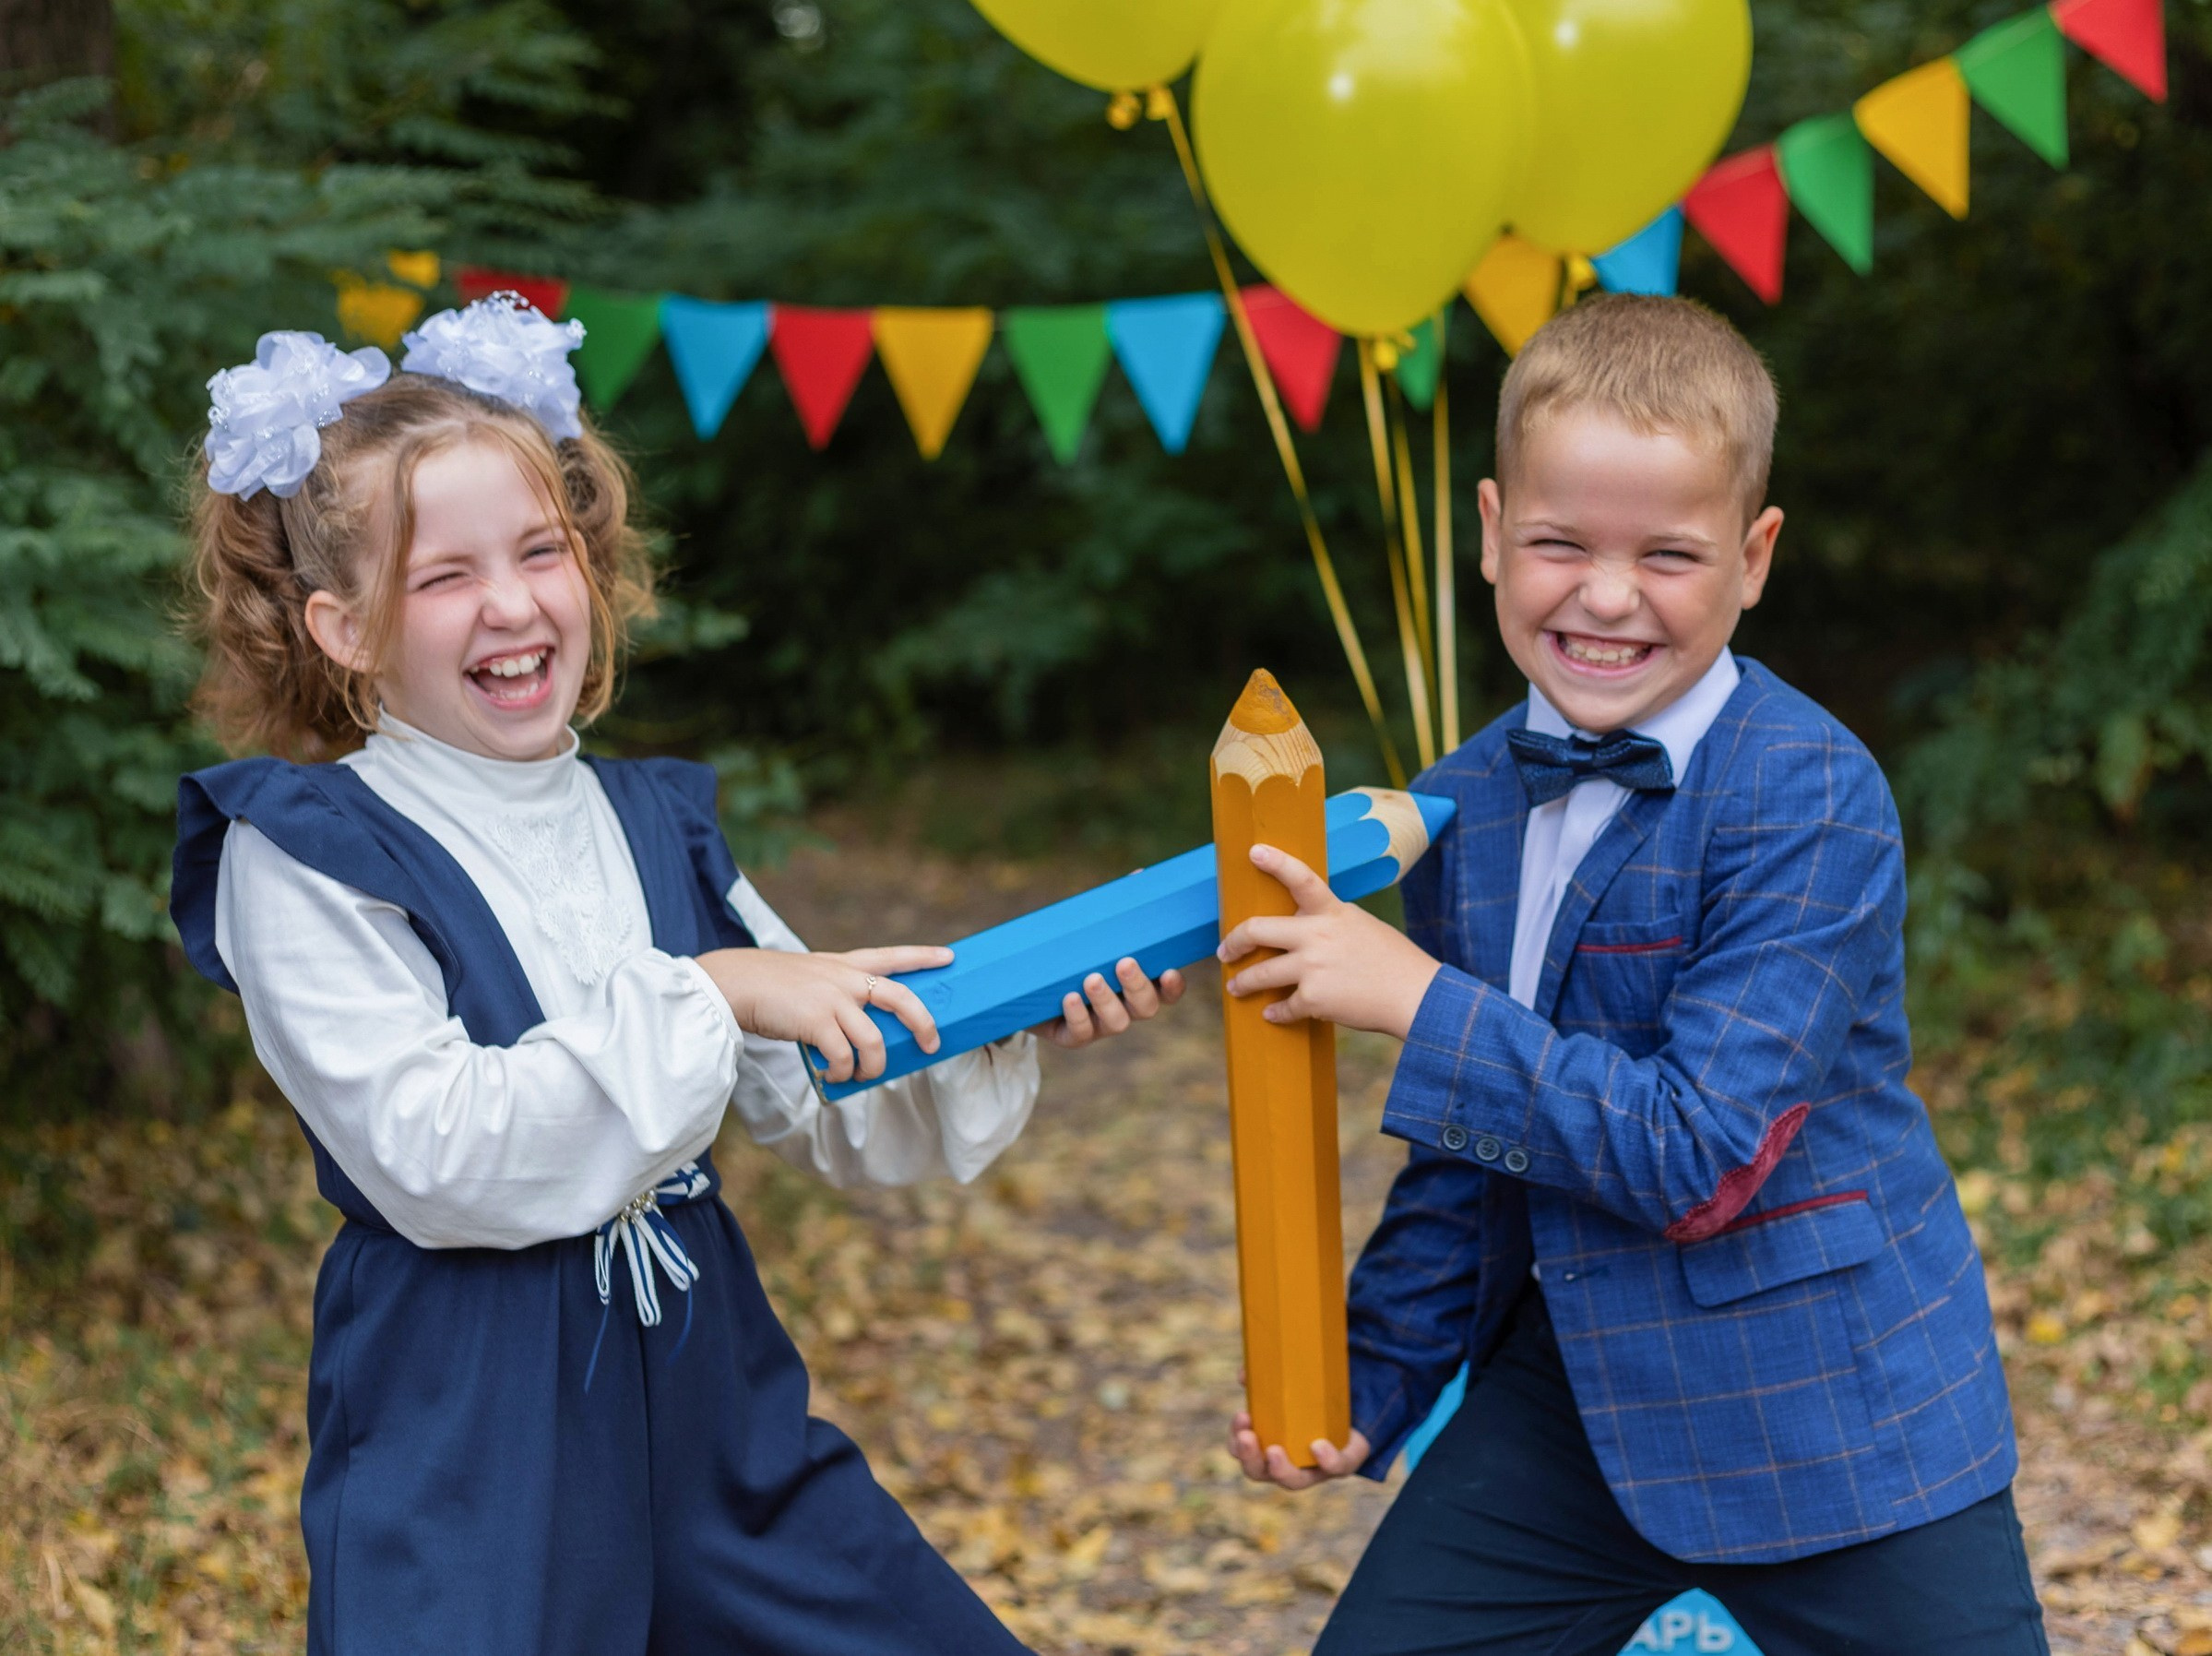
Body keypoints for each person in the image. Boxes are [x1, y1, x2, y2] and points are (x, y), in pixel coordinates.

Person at [168, 297, 1183, 1656]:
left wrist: (1008, 1014)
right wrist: (718, 993)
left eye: (542, 550)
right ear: (344, 628)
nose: (514, 603)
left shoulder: (654, 823)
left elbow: (823, 1084)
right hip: (472, 1428)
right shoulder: (307, 850)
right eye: (445, 575)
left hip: (712, 1402)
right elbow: (431, 1149)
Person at [1216, 294, 2045, 1655]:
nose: (1607, 596)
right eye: (1561, 544)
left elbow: (1698, 1155)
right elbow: (1471, 1149)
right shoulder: (1466, 800)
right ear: (1492, 534)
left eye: (1668, 554)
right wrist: (1370, 1375)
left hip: (1831, 1412)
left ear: (1753, 556)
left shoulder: (1812, 793)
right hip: (1570, 1397)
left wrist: (1416, 1001)